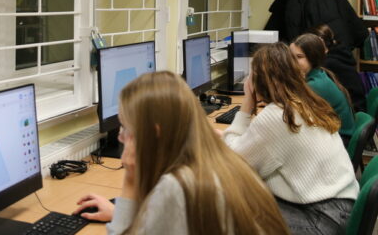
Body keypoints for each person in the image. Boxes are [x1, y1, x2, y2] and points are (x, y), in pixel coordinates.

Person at [74, 71, 290, 235]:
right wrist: (125, 212)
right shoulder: (220, 161)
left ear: (154, 133)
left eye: (126, 128)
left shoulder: (177, 186)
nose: (121, 137)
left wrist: (131, 180)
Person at [223, 43, 359, 235]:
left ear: (258, 80)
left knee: (228, 210)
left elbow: (233, 162)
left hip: (322, 218)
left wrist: (247, 102)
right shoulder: (306, 101)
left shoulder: (277, 116)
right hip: (342, 205)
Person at [290, 33, 356, 143]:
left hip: (339, 139)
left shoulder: (315, 85)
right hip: (334, 134)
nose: (292, 61)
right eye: (291, 57)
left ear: (313, 58)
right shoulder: (319, 73)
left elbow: (292, 112)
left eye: (299, 57)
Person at [308, 24, 366, 112]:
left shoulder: (328, 63)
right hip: (355, 106)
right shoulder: (339, 54)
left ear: (321, 43)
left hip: (353, 109)